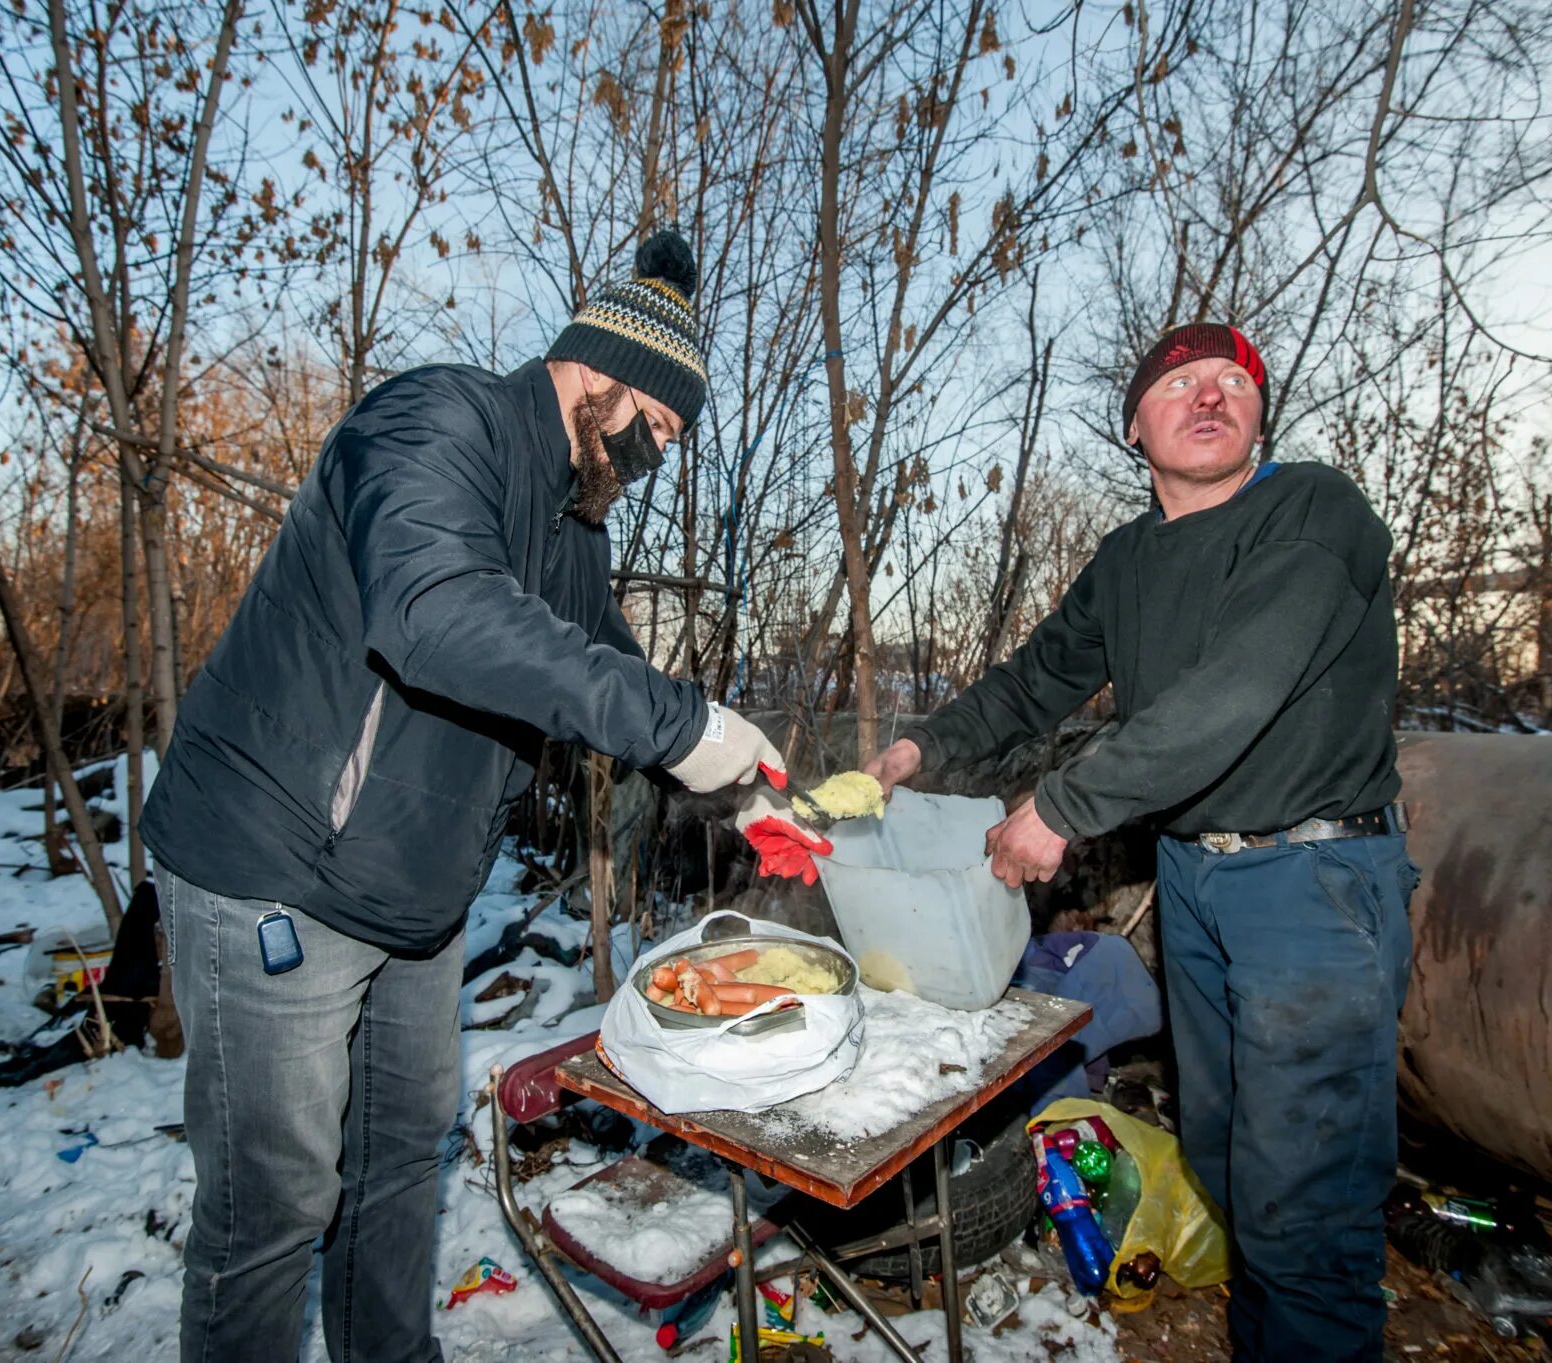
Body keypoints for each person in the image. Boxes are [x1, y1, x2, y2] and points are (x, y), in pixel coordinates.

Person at [140, 228, 786, 1363]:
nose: (655, 455)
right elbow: (434, 612)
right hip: (276, 872)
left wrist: (736, 788)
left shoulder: (572, 529)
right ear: (604, 374)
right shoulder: (434, 423)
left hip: (414, 900)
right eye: (660, 426)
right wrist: (683, 726)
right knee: (273, 1205)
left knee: (396, 1168)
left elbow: (613, 677)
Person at [864, 322, 1417, 1362]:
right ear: (1133, 424)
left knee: (1304, 1206)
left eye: (1232, 383)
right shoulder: (1125, 560)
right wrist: (911, 750)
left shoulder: (1312, 511)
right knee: (1222, 1160)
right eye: (1178, 384)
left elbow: (1239, 687)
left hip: (1313, 881)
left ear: (1258, 413)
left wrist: (1063, 806)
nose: (1208, 398)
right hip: (1194, 877)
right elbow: (1034, 683)